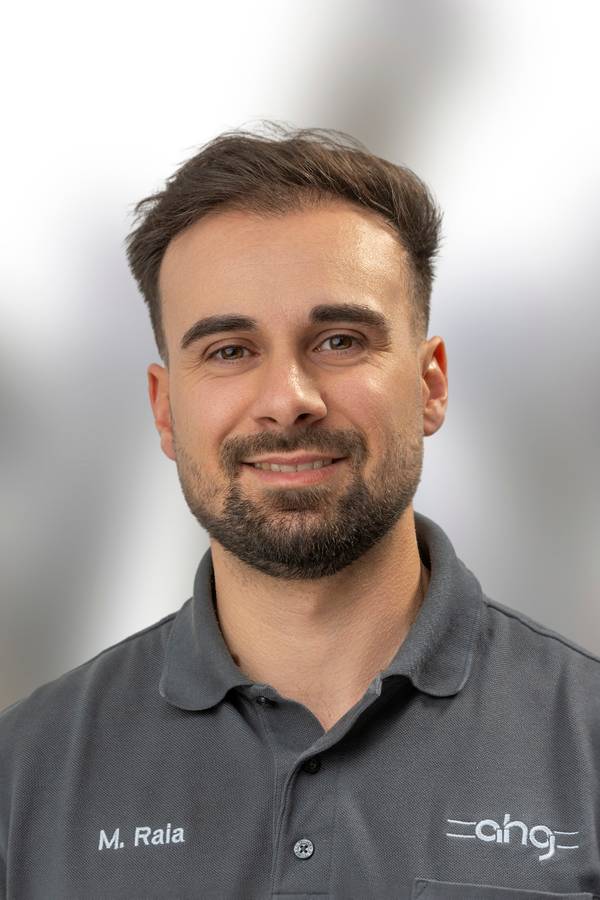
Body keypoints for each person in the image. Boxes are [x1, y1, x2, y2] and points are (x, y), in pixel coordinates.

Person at [0, 123, 598, 900]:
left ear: (431, 384)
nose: (288, 400)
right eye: (229, 351)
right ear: (164, 409)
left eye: (340, 340)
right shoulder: (25, 773)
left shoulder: (585, 741)